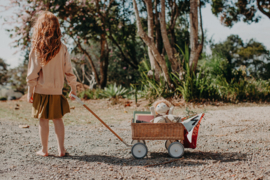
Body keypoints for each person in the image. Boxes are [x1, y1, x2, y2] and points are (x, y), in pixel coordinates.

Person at [26, 11, 77, 157]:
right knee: (58, 119)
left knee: (43, 120)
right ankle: (61, 149)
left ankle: (44, 150)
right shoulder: (62, 48)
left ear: (39, 28)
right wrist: (73, 88)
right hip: (56, 91)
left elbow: (32, 73)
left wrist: (30, 91)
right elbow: (69, 71)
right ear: (57, 27)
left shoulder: (37, 48)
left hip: (41, 91)